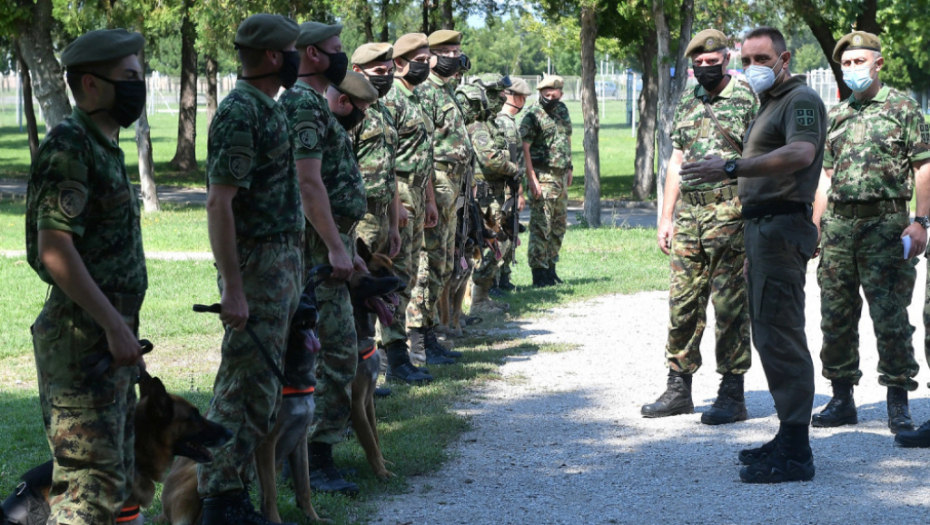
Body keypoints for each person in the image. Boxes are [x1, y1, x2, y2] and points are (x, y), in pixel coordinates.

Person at [680, 26, 825, 484]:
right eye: (746, 60)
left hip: (781, 225)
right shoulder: (771, 103)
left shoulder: (800, 100)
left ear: (785, 58)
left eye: (762, 58)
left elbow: (802, 153)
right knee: (767, 332)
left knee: (782, 335)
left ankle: (797, 454)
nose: (753, 67)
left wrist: (731, 165)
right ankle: (788, 436)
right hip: (762, 227)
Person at [25, 28, 148, 525]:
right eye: (130, 77)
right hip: (82, 346)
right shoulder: (70, 147)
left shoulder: (102, 146)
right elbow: (53, 251)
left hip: (104, 344)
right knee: (86, 490)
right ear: (91, 84)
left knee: (111, 480)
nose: (139, 86)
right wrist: (114, 325)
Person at [196, 14, 304, 524]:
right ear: (270, 57)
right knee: (242, 387)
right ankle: (218, 497)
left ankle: (232, 492)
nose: (296, 59)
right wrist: (234, 288)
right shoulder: (241, 112)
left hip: (278, 265)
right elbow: (220, 203)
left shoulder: (269, 107)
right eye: (290, 51)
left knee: (261, 389)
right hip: (255, 268)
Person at [811, 31, 930, 436]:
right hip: (840, 228)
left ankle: (898, 401)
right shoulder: (838, 114)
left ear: (878, 64)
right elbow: (826, 179)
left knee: (891, 316)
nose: (851, 70)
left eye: (858, 62)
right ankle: (842, 398)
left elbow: (923, 168)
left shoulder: (903, 108)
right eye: (845, 64)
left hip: (886, 225)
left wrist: (921, 221)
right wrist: (816, 229)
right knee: (836, 318)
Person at [278, 21, 375, 496]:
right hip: (315, 255)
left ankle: (310, 457)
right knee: (335, 354)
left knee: (336, 352)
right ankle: (314, 460)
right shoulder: (300, 103)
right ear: (313, 54)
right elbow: (307, 182)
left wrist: (349, 247)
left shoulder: (313, 104)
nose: (342, 58)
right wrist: (336, 247)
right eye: (336, 51)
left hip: (329, 249)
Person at [641, 29, 757, 426]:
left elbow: (759, 159)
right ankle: (678, 388)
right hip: (689, 216)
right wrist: (665, 216)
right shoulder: (688, 101)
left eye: (714, 62)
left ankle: (732, 391)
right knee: (683, 303)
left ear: (727, 59)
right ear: (692, 66)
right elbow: (676, 160)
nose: (706, 68)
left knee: (729, 305)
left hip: (730, 212)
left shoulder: (746, 99)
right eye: (699, 64)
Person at [350, 43, 433, 386]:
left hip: (385, 211)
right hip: (360, 215)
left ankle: (395, 358)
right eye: (378, 72)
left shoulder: (382, 111)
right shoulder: (351, 112)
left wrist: (396, 213)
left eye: (388, 71)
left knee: (393, 284)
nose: (385, 78)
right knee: (360, 293)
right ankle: (363, 372)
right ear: (358, 72)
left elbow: (392, 168)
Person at [407, 29, 473, 358]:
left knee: (444, 265)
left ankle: (430, 332)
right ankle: (418, 340)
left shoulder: (447, 91)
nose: (454, 57)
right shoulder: (426, 93)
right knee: (428, 264)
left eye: (456, 51)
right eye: (446, 51)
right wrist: (430, 197)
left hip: (452, 188)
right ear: (431, 57)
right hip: (436, 185)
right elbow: (425, 152)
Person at [379, 33, 444, 369]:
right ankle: (394, 354)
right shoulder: (391, 99)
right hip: (400, 190)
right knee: (399, 275)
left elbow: (426, 155)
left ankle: (405, 347)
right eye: (420, 61)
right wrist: (397, 205)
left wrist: (430, 199)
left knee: (413, 273)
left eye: (427, 59)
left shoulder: (416, 99)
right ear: (400, 63)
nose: (427, 65)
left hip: (419, 190)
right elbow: (386, 158)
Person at [465, 73, 523, 314]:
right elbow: (490, 160)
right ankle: (476, 301)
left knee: (500, 245)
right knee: (490, 245)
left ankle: (482, 296)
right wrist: (513, 168)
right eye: (497, 92)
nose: (502, 97)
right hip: (485, 198)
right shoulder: (478, 125)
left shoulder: (491, 123)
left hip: (496, 195)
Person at [520, 75, 573, 287]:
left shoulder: (562, 110)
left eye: (554, 94)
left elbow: (567, 138)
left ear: (560, 93)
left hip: (560, 175)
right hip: (542, 175)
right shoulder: (533, 114)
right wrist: (531, 178)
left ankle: (551, 268)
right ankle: (538, 272)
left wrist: (569, 166)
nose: (550, 98)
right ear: (540, 93)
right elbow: (524, 147)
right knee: (542, 225)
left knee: (559, 225)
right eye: (546, 94)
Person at [489, 76, 531, 294]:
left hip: (504, 188)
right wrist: (519, 192)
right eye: (523, 97)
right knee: (503, 233)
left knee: (506, 231)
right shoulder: (507, 124)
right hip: (506, 190)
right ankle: (496, 280)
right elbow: (512, 161)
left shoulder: (501, 121)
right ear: (518, 98)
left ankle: (502, 278)